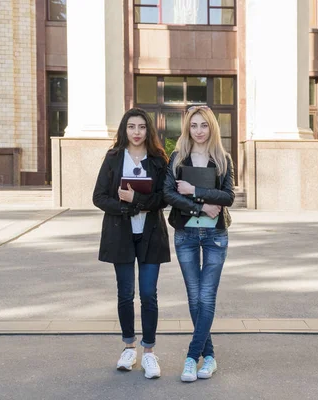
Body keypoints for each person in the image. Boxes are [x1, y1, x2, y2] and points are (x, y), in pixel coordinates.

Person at [93, 108, 170, 379]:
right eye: (131, 127)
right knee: (125, 294)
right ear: (124, 130)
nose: (136, 132)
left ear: (148, 130)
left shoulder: (159, 160)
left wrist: (135, 200)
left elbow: (164, 198)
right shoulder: (114, 158)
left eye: (141, 127)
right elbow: (99, 197)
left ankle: (149, 352)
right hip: (121, 234)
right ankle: (129, 347)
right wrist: (127, 207)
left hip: (151, 235)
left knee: (148, 294)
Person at [163, 105, 235, 382]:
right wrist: (201, 208)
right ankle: (210, 357)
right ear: (187, 128)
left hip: (216, 236)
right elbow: (168, 194)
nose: (199, 131)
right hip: (186, 236)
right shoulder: (178, 158)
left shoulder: (222, 158)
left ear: (212, 127)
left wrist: (196, 192)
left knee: (206, 297)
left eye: (204, 125)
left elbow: (228, 197)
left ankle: (192, 357)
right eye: (194, 125)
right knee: (194, 297)